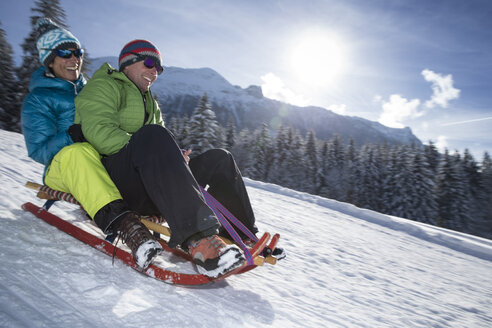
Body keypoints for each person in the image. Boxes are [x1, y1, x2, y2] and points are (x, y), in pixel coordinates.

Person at [75, 39, 269, 277]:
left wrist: (174, 158)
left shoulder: (150, 101)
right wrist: (146, 146)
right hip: (118, 181)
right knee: (152, 135)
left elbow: (158, 141)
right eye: (149, 63)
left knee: (220, 159)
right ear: (127, 63)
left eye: (159, 68)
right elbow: (98, 131)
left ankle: (240, 236)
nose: (154, 72)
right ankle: (198, 240)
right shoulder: (105, 85)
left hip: (153, 182)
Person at [21, 19, 162, 271]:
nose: (74, 58)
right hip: (63, 169)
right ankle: (128, 229)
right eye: (65, 53)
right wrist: (71, 136)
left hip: (102, 166)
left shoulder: (94, 87)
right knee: (80, 151)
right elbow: (38, 150)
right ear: (50, 60)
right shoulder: (38, 99)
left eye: (78, 53)